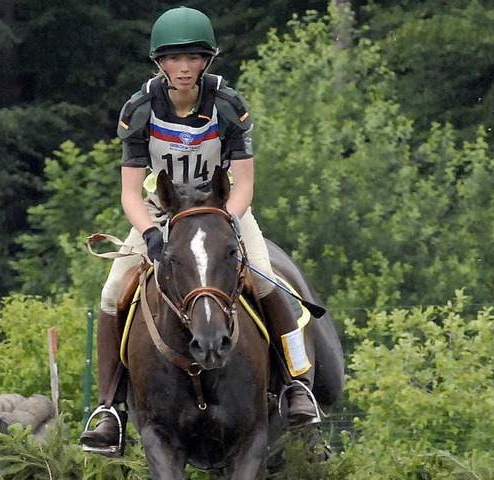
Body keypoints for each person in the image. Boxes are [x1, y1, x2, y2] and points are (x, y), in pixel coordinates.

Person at [81, 6, 320, 454]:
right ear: (159, 64)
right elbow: (132, 192)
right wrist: (151, 233)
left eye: (193, 58)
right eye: (173, 59)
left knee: (270, 284)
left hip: (223, 207)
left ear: (207, 60)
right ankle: (110, 408)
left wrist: (224, 221)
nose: (184, 68)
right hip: (162, 210)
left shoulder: (228, 105)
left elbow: (245, 183)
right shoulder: (139, 109)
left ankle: (296, 385)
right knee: (113, 293)